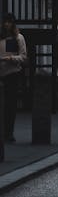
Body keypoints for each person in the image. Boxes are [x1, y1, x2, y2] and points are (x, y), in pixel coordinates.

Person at [0, 12, 27, 142]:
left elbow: (23, 57)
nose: (6, 24)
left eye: (9, 22)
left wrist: (10, 58)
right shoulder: (2, 38)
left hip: (12, 74)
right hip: (1, 73)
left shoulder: (18, 38)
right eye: (5, 22)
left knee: (10, 105)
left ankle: (9, 133)